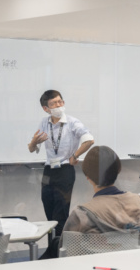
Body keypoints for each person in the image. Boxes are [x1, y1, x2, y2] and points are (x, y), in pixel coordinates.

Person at [39, 146, 140, 259]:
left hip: (92, 269)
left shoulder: (82, 213)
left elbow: (66, 249)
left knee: (56, 243)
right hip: (130, 264)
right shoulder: (137, 201)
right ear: (118, 170)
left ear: (87, 177)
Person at [27, 89, 94, 236]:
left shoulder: (72, 122)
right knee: (48, 208)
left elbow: (89, 140)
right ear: (46, 109)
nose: (59, 105)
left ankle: (58, 251)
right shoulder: (44, 122)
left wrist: (75, 156)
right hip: (48, 170)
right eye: (54, 103)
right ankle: (53, 247)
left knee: (61, 212)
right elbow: (32, 149)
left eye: (60, 101)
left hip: (65, 170)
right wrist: (33, 142)